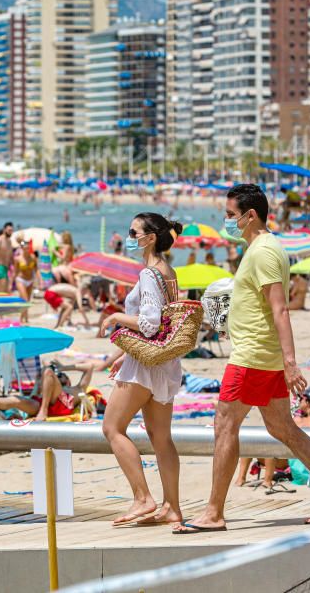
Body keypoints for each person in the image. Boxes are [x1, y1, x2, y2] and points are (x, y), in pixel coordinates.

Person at [177, 185, 310, 533]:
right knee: (281, 427)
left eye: (230, 215)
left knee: (225, 424)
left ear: (249, 215)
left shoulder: (265, 252)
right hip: (259, 353)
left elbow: (280, 309)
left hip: (253, 356)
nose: (227, 221)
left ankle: (213, 512)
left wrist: (291, 362)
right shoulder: (259, 249)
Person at [98, 213, 186, 528]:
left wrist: (116, 318)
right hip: (165, 362)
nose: (130, 237)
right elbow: (164, 322)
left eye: (134, 232)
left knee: (112, 428)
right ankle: (172, 507)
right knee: (162, 437)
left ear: (150, 238)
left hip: (146, 365)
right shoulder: (168, 270)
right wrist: (125, 354)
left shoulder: (149, 274)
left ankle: (142, 497)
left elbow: (149, 324)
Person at [0, 361, 98, 421]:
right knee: (17, 401)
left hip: (56, 406)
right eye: (59, 376)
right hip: (40, 404)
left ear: (68, 381)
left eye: (62, 377)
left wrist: (64, 367)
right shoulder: (48, 388)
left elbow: (89, 366)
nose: (60, 377)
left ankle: (44, 410)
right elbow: (38, 388)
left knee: (47, 370)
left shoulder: (76, 389)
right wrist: (39, 383)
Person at [11, 241, 39, 322]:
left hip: (30, 280)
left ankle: (26, 318)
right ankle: (21, 319)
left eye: (28, 248)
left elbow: (36, 269)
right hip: (20, 280)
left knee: (28, 300)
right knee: (25, 299)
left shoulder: (33, 257)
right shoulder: (18, 259)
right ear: (22, 249)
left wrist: (39, 279)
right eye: (25, 248)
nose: (27, 250)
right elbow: (15, 271)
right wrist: (11, 283)